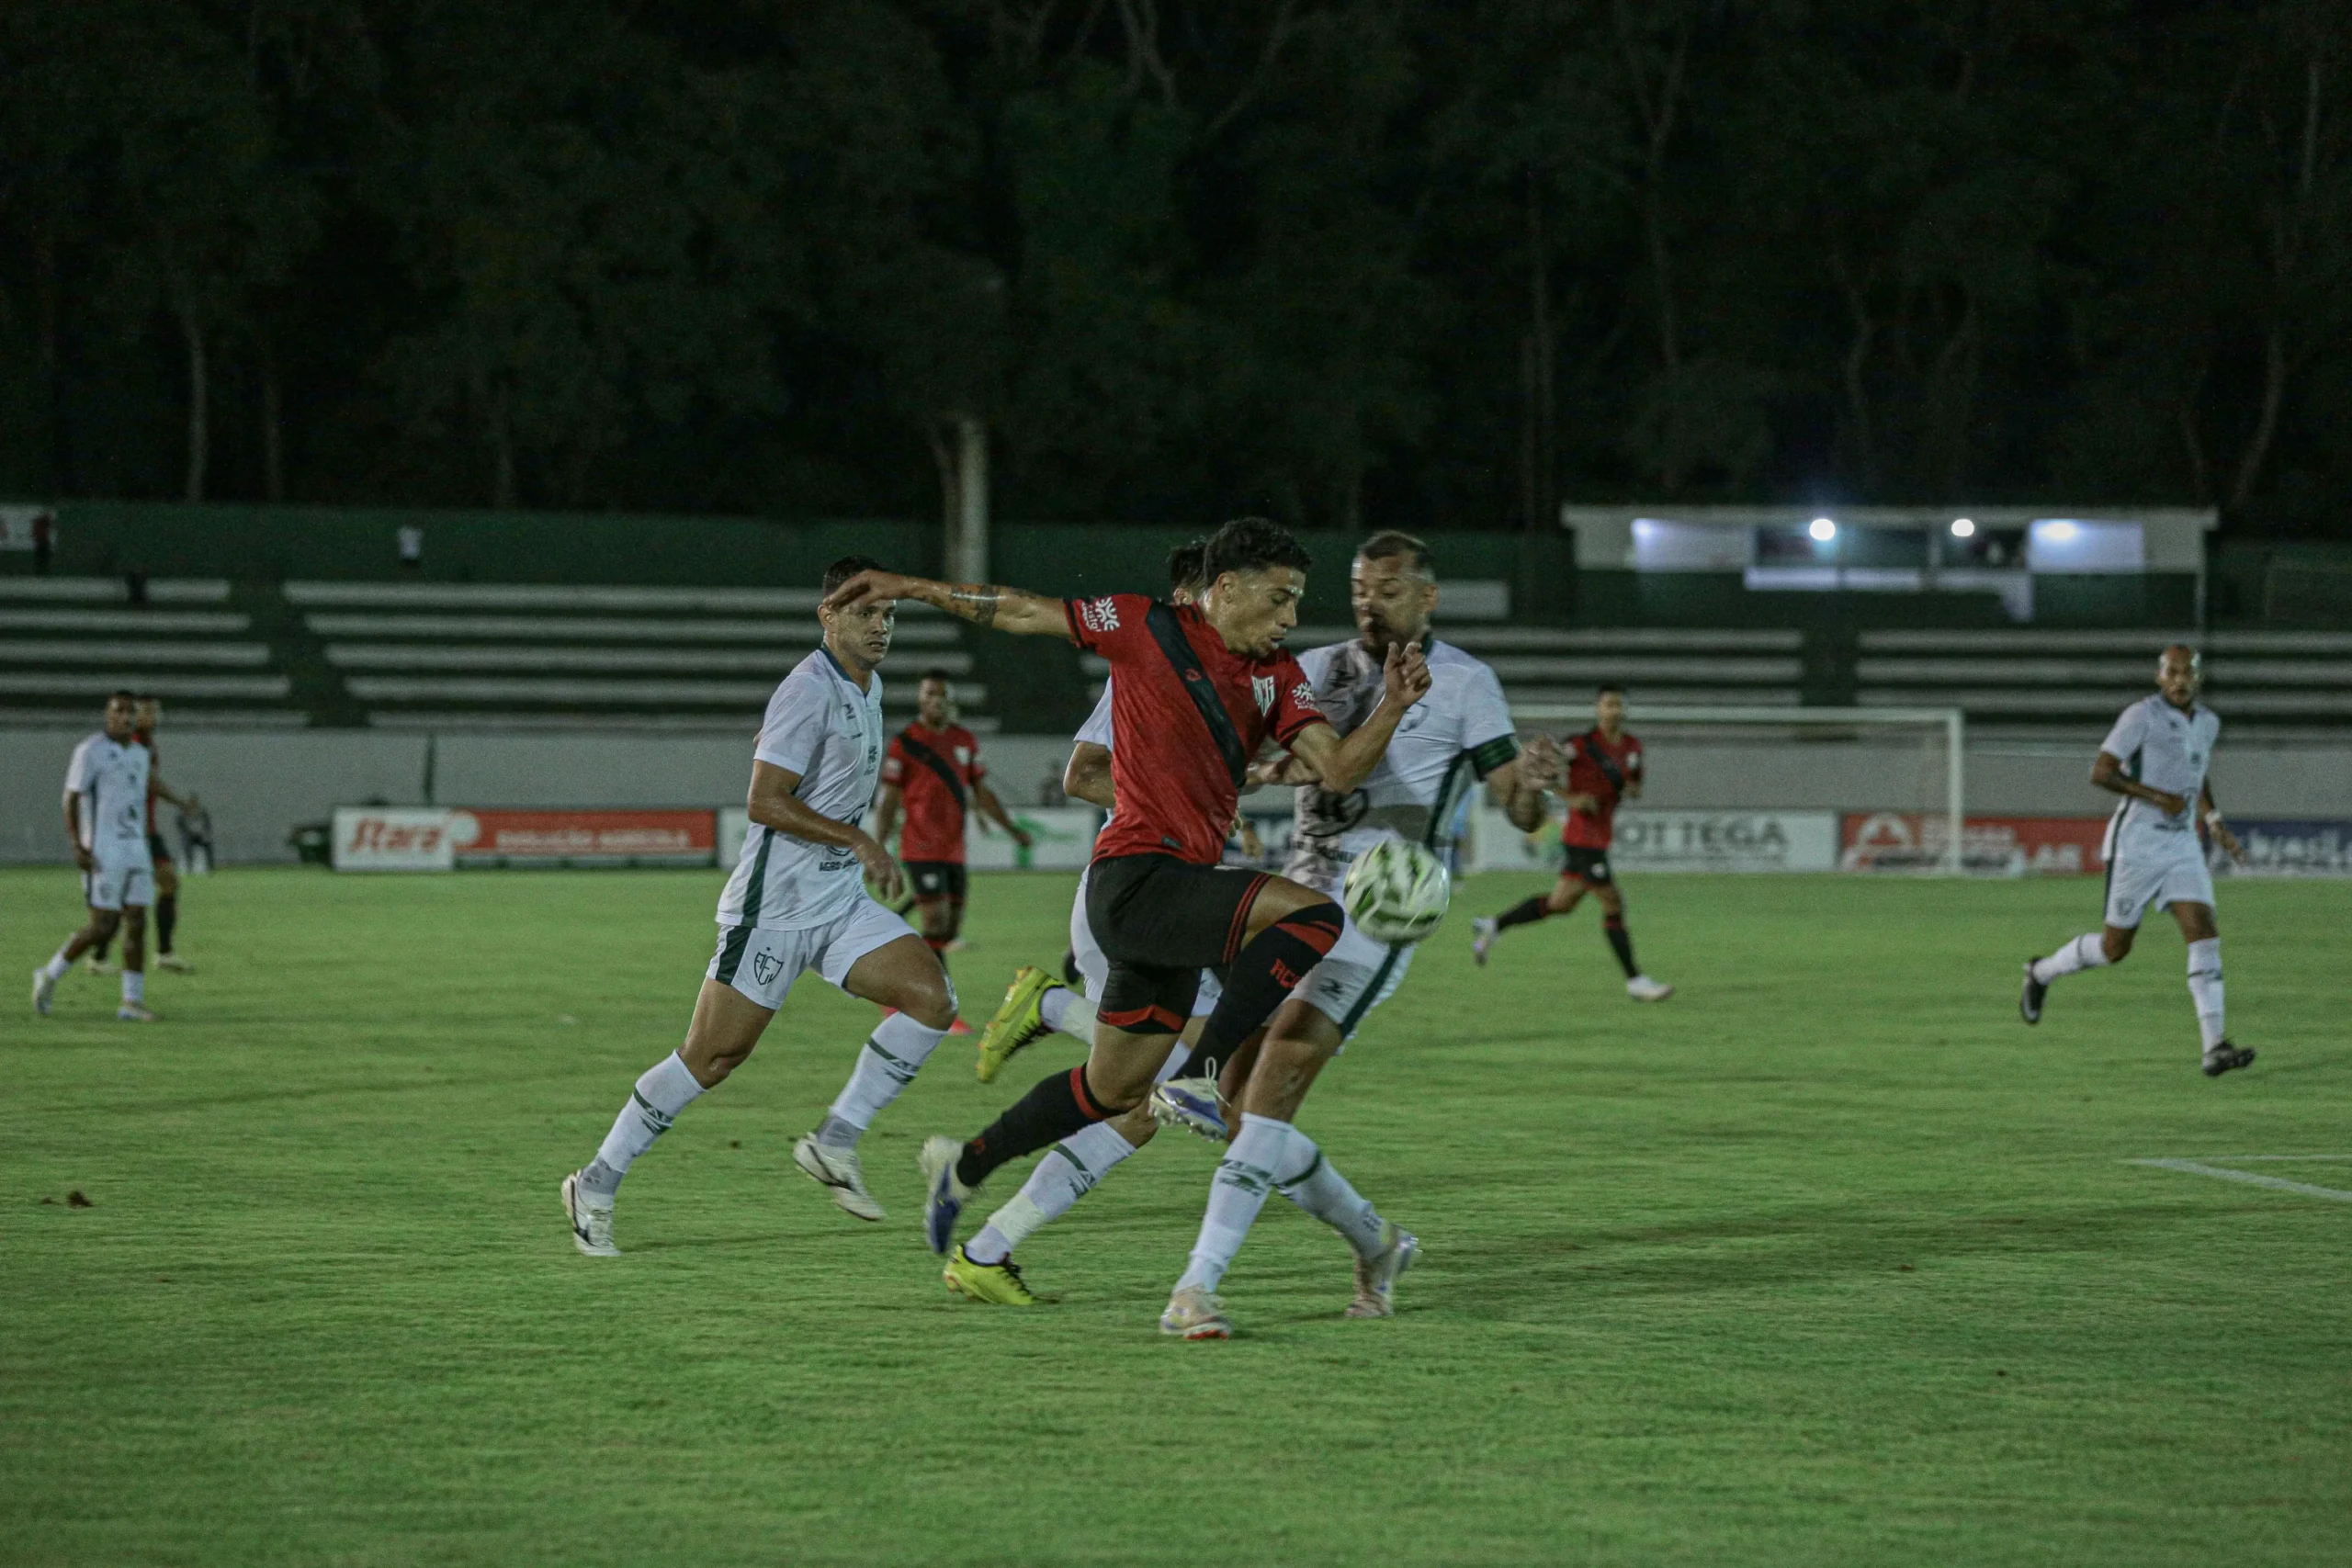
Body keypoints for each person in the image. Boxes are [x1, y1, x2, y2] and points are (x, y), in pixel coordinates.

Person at [820, 517, 1432, 1323]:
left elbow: (1341, 767)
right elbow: (1020, 610)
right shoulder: (1142, 625)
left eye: (1296, 603)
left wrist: (1390, 704)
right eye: (1280, 599)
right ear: (1226, 589)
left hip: (1177, 896)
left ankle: (969, 1164)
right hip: (1135, 880)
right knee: (1315, 918)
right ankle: (1201, 1076)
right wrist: (912, 587)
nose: (1290, 618)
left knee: (1111, 1088)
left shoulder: (1278, 675)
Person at [1142, 531, 1552, 1336]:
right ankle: (1377, 1241)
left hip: (1379, 913)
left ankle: (1196, 1287)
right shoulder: (1314, 667)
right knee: (1233, 1108)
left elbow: (1518, 802)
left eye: (1389, 588)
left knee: (1266, 1095)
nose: (1370, 599)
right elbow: (1260, 753)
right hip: (1290, 899)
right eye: (1362, 586)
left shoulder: (1467, 683)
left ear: (1427, 597)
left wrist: (1535, 789)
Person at [559, 556, 959, 1255]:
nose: (880, 626)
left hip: (835, 900)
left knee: (931, 997)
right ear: (827, 615)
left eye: (888, 614)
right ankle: (594, 1181)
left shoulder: (868, 685)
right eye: (865, 613)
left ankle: (835, 1141)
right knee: (711, 1059)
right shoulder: (806, 688)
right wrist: (860, 838)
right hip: (771, 908)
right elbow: (763, 801)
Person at [2019, 645, 2253, 1077]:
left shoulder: (2208, 723)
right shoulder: (2139, 716)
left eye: (2188, 673)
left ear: (2198, 679)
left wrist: (2214, 821)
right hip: (2137, 846)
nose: (2180, 680)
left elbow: (2196, 775)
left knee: (2203, 932)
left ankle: (2214, 1045)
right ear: (2159, 677)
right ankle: (2041, 972)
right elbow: (2101, 772)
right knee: (2114, 948)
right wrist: (2154, 797)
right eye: (2172, 673)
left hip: (2182, 844)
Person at [1469, 683, 1673, 1000]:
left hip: (1600, 834)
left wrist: (1631, 789)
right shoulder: (1579, 745)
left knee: (1559, 904)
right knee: (1612, 903)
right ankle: (1635, 981)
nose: (1614, 711)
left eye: (1619, 705)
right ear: (1598, 709)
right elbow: (1544, 775)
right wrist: (1570, 797)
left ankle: (1493, 926)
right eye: (1608, 705)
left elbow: (1634, 785)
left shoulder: (1632, 747)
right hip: (1581, 838)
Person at [869, 669, 1031, 1008]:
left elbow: (982, 794)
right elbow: (888, 800)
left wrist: (1013, 830)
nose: (935, 701)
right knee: (936, 920)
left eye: (941, 696)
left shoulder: (964, 741)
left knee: (949, 928)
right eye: (929, 694)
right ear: (920, 698)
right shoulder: (907, 743)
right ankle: (939, 1000)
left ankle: (896, 963)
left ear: (951, 700)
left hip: (954, 849)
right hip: (919, 845)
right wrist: (878, 846)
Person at [32, 692, 157, 1022]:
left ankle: (131, 1001)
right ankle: (49, 974)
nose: (125, 718)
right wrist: (77, 844)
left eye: (131, 712)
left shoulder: (141, 754)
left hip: (135, 849)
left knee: (139, 922)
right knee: (103, 926)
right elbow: (70, 799)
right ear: (107, 714)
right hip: (104, 850)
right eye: (118, 711)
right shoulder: (90, 751)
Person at [86, 695, 198, 975]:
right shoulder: (131, 743)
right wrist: (181, 802)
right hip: (129, 833)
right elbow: (150, 782)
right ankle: (98, 958)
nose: (153, 716)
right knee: (124, 903)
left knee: (168, 883)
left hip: (146, 831)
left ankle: (163, 953)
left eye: (154, 711)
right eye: (147, 711)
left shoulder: (147, 743)